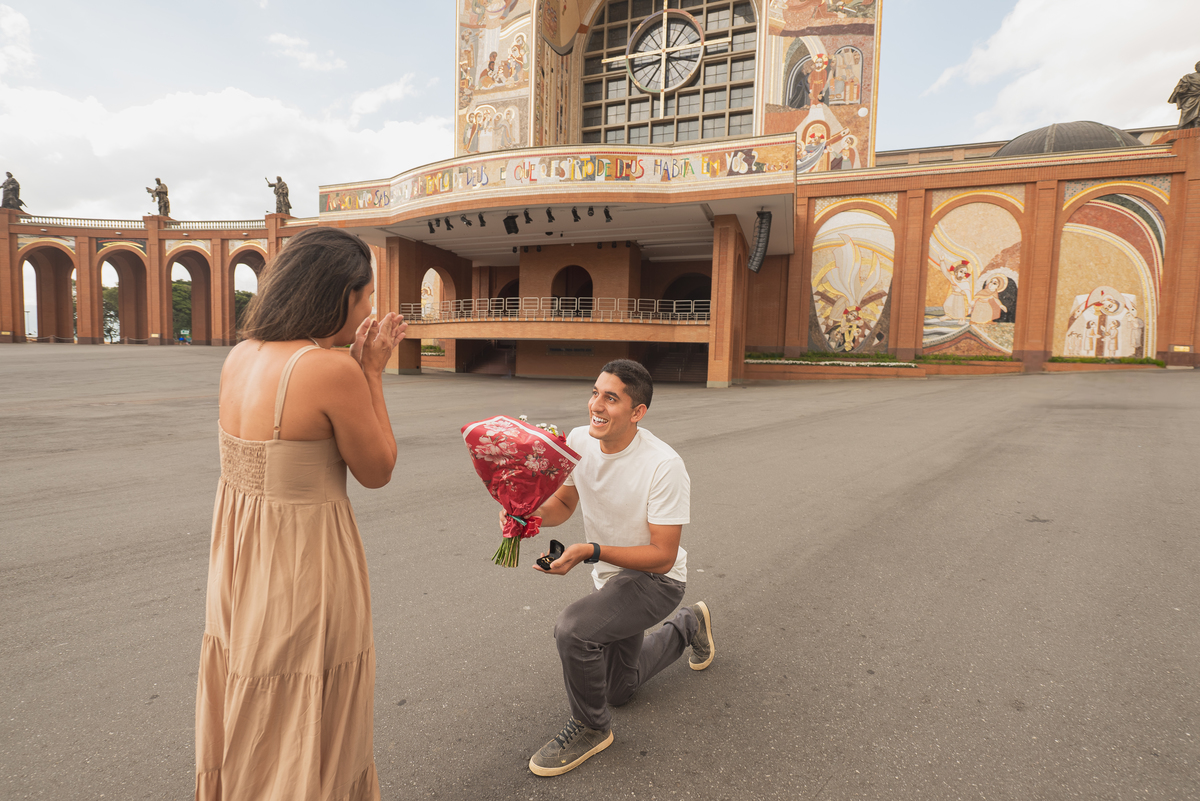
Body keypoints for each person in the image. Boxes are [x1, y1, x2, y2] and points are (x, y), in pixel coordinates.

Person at [195, 227, 405, 801]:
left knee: (250, 687)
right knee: (307, 701)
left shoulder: (239, 356)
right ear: (339, 295)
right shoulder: (328, 369)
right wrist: (372, 371)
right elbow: (378, 468)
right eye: (365, 296)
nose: (370, 308)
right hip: (302, 564)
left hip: (241, 560)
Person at [522, 359, 714, 777]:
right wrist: (526, 514)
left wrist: (590, 550)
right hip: (612, 579)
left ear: (637, 412)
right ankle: (689, 626)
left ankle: (591, 728)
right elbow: (566, 503)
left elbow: (663, 555)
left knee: (574, 630)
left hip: (656, 581)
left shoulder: (664, 464)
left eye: (611, 398)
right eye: (595, 392)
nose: (597, 405)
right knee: (619, 690)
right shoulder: (579, 439)